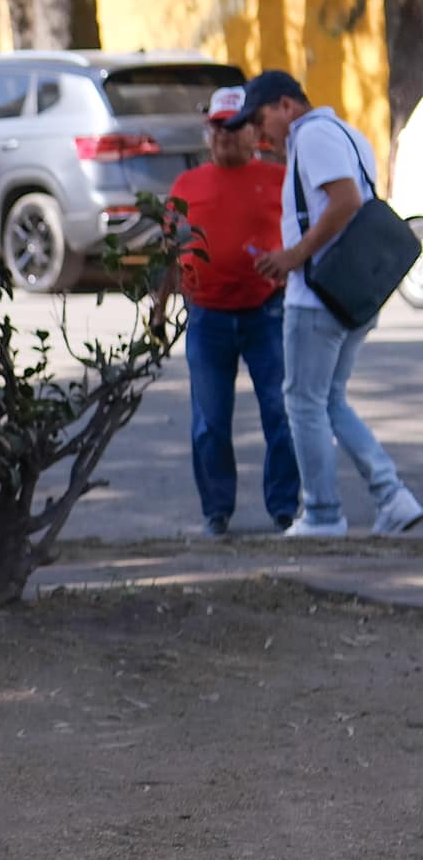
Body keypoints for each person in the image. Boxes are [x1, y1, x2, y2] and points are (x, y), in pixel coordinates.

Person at [235, 69, 423, 536]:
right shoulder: (347, 132)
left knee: (302, 402)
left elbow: (345, 202)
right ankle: (392, 496)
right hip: (349, 289)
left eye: (260, 121)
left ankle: (322, 513)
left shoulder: (313, 135)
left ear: (286, 106)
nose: (259, 136)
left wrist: (294, 256)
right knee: (328, 399)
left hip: (317, 297)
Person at [158, 86, 297, 536]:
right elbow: (167, 251)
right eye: (218, 126)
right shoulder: (186, 185)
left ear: (253, 133)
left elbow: (306, 237)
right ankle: (216, 511)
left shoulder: (278, 178)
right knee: (209, 422)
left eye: (234, 127)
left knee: (280, 412)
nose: (224, 136)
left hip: (266, 313)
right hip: (207, 317)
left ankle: (285, 509)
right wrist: (158, 311)